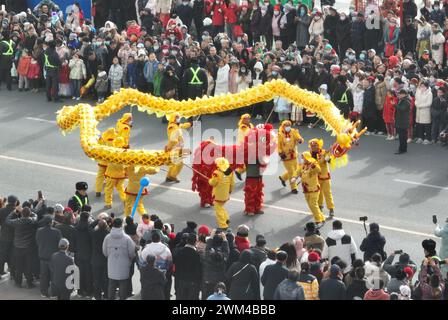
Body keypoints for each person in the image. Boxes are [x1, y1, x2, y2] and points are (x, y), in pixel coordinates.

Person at [102, 218, 136, 300]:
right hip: (124, 265)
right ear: (122, 225)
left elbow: (104, 252)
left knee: (112, 283)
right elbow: (132, 253)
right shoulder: (127, 238)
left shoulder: (107, 237)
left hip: (111, 265)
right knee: (123, 284)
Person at [6, 206, 38, 288]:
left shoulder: (17, 221)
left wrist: (14, 211)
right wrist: (31, 212)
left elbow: (7, 220)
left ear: (21, 213)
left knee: (19, 266)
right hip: (28, 247)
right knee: (28, 265)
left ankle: (18, 283)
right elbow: (36, 216)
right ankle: (29, 283)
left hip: (18, 247)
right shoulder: (32, 221)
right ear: (29, 214)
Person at [296, 151, 325, 227]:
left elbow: (318, 170)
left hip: (313, 189)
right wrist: (294, 177)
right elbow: (298, 171)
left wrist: (314, 167)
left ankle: (318, 221)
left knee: (313, 205)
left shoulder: (313, 165)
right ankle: (322, 218)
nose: (303, 159)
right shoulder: (303, 166)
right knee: (311, 205)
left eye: (304, 158)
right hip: (306, 190)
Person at [36, 214, 62, 297]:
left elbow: (37, 241)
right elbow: (60, 244)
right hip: (53, 257)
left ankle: (44, 292)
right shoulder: (57, 231)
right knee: (54, 276)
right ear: (51, 223)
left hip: (43, 256)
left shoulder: (39, 231)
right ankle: (53, 293)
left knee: (44, 276)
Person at [309, 138, 335, 218]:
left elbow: (331, 161)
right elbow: (315, 164)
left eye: (315, 145)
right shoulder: (309, 155)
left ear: (318, 145)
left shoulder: (324, 152)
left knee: (327, 193)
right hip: (316, 177)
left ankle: (331, 209)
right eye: (312, 145)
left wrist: (328, 159)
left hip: (325, 177)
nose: (313, 146)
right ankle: (320, 207)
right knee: (319, 194)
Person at [278, 120, 304, 194]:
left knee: (295, 171)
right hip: (286, 157)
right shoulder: (280, 135)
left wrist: (300, 140)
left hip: (294, 155)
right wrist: (280, 153)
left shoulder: (294, 131)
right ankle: (294, 188)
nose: (288, 127)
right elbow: (278, 146)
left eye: (289, 125)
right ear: (283, 126)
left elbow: (300, 138)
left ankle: (283, 178)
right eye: (286, 125)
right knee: (291, 172)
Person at [173, 233, 202, 300]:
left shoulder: (179, 252)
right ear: (195, 242)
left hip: (180, 280)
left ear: (187, 241)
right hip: (193, 283)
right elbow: (199, 270)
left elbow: (176, 266)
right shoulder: (197, 255)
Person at [164, 113, 191, 183]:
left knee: (173, 163)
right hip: (174, 147)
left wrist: (190, 124)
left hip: (177, 147)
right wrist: (169, 147)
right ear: (173, 118)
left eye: (178, 117)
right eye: (177, 117)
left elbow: (183, 125)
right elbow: (172, 139)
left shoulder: (177, 125)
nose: (178, 118)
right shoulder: (172, 127)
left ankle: (169, 177)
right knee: (180, 163)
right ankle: (173, 176)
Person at [209, 157, 234, 231]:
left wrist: (209, 180)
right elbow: (232, 183)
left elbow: (213, 183)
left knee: (218, 209)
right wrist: (230, 190)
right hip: (226, 194)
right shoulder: (230, 171)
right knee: (221, 206)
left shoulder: (216, 173)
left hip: (218, 195)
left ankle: (223, 225)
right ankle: (226, 219)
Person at [104, 137, 128, 209]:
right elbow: (127, 165)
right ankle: (124, 199)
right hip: (121, 175)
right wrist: (126, 173)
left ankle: (108, 203)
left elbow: (105, 159)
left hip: (111, 175)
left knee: (109, 189)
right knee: (121, 188)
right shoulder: (125, 153)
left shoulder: (111, 152)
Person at [74, 212, 93, 298]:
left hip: (78, 254)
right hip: (88, 254)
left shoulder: (75, 227)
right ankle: (88, 292)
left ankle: (80, 291)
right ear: (87, 218)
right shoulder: (89, 228)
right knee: (88, 274)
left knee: (79, 273)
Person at [90, 218, 109, 300]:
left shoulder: (94, 233)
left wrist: (97, 220)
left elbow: (90, 227)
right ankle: (106, 294)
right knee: (105, 278)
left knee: (96, 279)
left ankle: (97, 296)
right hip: (105, 259)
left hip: (95, 259)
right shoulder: (108, 234)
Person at [0, 195, 18, 278]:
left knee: (2, 254)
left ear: (8, 201)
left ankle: (1, 271)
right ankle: (12, 273)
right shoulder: (17, 211)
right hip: (15, 237)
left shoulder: (2, 210)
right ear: (15, 202)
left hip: (3, 236)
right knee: (13, 255)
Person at [235, 114, 253, 181]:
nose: (247, 119)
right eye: (245, 118)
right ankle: (248, 176)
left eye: (248, 118)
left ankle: (239, 171)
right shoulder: (243, 126)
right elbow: (248, 133)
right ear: (243, 120)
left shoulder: (250, 125)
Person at [395, 89, 411, 154]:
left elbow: (402, 109)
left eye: (400, 94)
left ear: (404, 94)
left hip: (403, 121)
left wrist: (395, 105)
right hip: (400, 120)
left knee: (403, 136)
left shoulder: (406, 101)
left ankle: (402, 149)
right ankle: (402, 148)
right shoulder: (401, 100)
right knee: (402, 136)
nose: (398, 95)